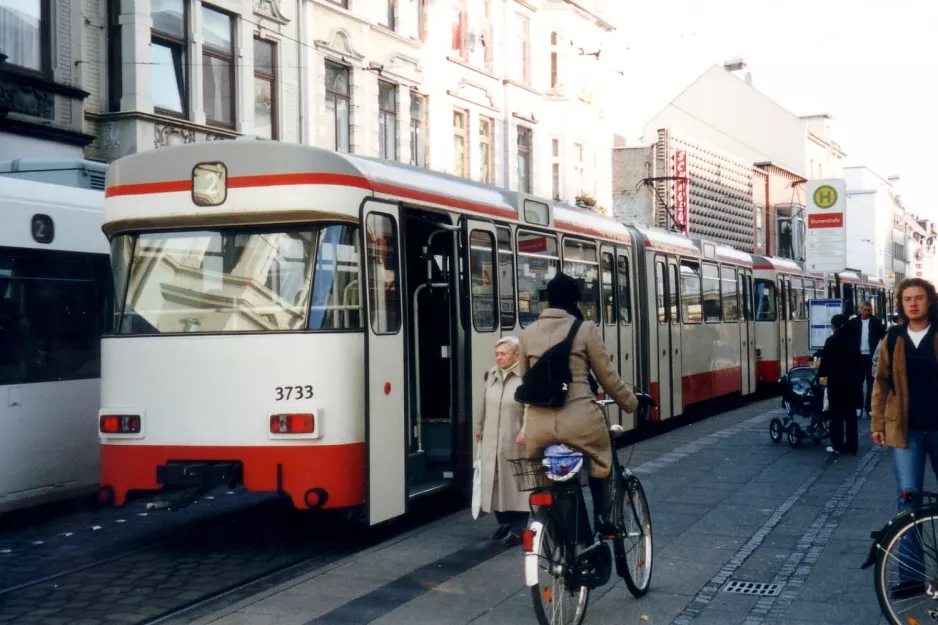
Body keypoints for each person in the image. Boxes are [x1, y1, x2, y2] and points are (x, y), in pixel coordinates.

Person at [517, 272, 638, 537]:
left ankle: (568, 537)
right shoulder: (585, 330)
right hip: (580, 422)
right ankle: (602, 518)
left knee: (553, 479)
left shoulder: (526, 335)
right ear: (575, 301)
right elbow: (608, 379)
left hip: (540, 427)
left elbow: (526, 382)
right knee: (601, 461)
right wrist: (631, 403)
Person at [871, 278, 938, 597]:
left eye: (919, 298)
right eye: (908, 299)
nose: (913, 303)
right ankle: (911, 578)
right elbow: (881, 382)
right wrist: (878, 422)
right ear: (901, 304)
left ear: (929, 301)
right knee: (908, 500)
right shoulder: (893, 339)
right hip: (907, 430)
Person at [473, 336, 528, 545]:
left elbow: (530, 409)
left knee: (514, 485)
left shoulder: (524, 377)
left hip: (514, 440)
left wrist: (525, 431)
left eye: (503, 354)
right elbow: (484, 403)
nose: (498, 357)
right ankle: (503, 521)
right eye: (497, 354)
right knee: (493, 482)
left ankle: (518, 528)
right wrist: (478, 427)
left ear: (515, 355)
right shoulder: (493, 374)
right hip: (491, 438)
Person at [818, 314, 858, 455]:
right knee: (850, 416)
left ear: (835, 326)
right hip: (851, 383)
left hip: (836, 383)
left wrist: (820, 375)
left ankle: (838, 445)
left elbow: (824, 363)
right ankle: (852, 445)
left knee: (836, 415)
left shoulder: (831, 341)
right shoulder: (853, 339)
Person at [846, 300, 885, 415]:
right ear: (860, 309)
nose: (866, 312)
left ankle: (869, 408)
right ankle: (858, 406)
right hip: (858, 356)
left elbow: (883, 338)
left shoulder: (876, 322)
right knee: (857, 383)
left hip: (871, 356)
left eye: (869, 310)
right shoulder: (854, 322)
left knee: (871, 383)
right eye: (864, 310)